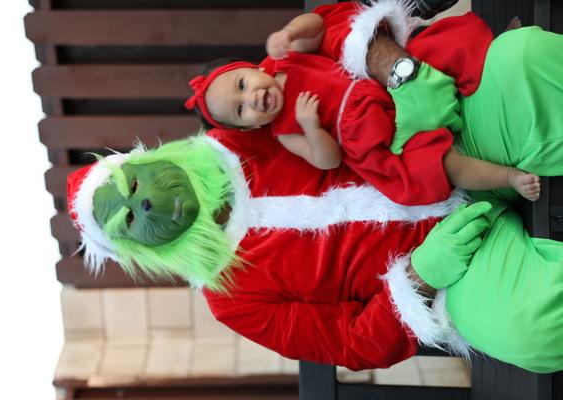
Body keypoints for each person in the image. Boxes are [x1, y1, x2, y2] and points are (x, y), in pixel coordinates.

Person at [65, 2, 563, 373]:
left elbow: (326, 36)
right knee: (531, 327)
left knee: (526, 63)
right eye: (129, 219)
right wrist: (422, 275)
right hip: (456, 269)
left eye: (131, 186)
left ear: (144, 160)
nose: (144, 203)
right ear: (137, 250)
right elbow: (349, 343)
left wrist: (398, 70)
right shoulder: (232, 300)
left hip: (447, 137)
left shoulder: (238, 122)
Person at [184, 3, 540, 205]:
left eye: (243, 85)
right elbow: (328, 160)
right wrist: (311, 128)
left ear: (251, 67)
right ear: (252, 127)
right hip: (374, 137)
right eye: (242, 109)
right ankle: (508, 177)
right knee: (434, 166)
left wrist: (291, 30)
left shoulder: (285, 60)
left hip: (379, 86)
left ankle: (496, 50)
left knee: (438, 48)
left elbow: (318, 28)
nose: (253, 98)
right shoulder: (284, 132)